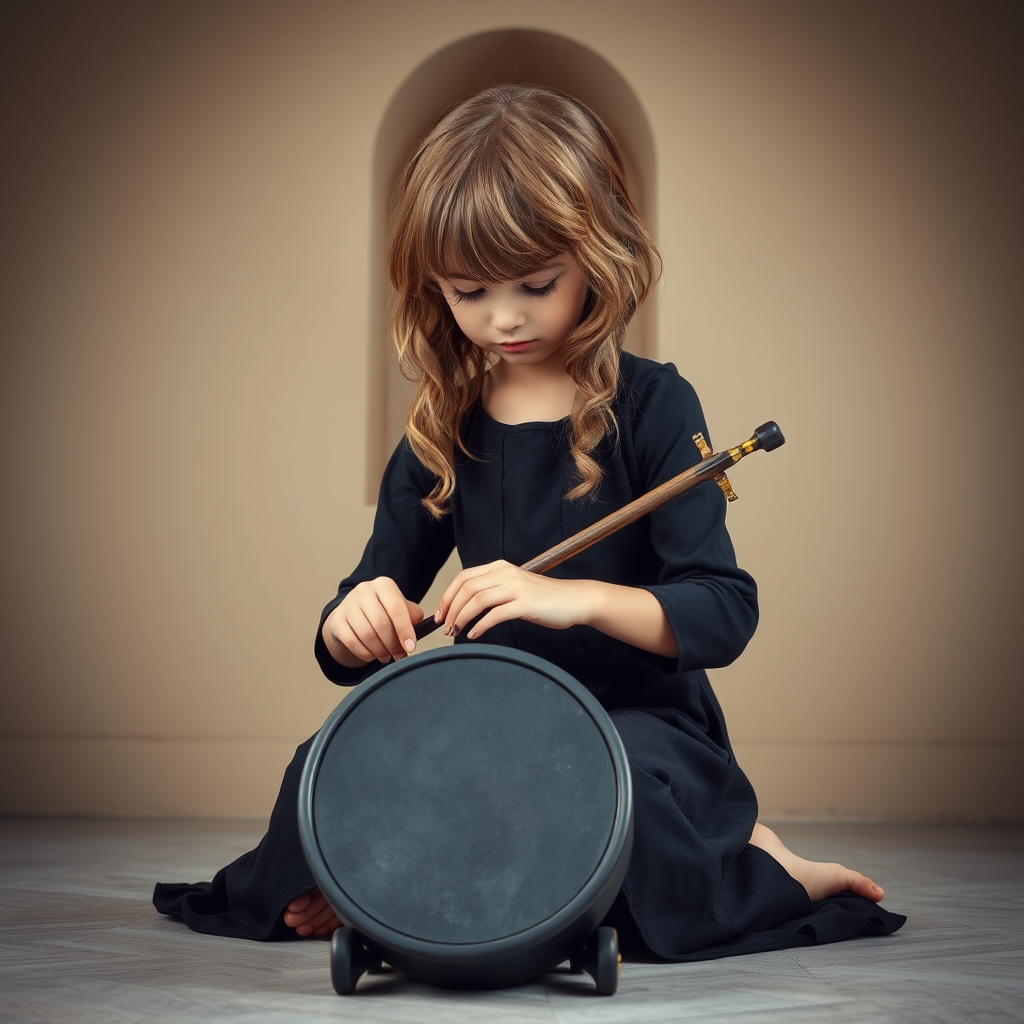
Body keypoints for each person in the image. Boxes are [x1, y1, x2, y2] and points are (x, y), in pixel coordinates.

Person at [154, 84, 905, 959]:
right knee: (321, 775)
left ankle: (771, 862)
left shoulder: (657, 404)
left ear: (598, 257)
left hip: (637, 723)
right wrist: (351, 618)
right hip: (491, 724)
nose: (503, 318)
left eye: (536, 284)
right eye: (468, 292)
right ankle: (380, 877)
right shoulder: (445, 425)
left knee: (604, 817)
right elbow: (363, 606)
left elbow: (722, 610)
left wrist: (571, 599)